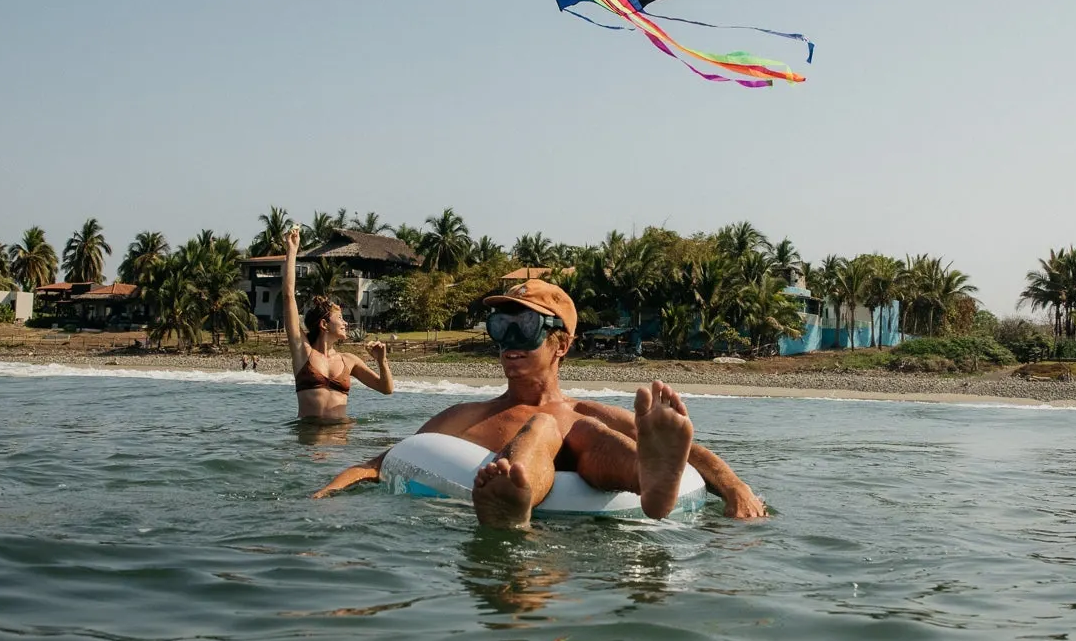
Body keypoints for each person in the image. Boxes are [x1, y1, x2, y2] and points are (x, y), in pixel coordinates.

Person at [313, 279, 767, 527]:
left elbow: (693, 456)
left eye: (525, 329)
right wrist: (328, 492)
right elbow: (384, 460)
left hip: (591, 470)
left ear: (561, 344)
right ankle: (516, 493)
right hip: (542, 528)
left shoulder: (585, 413)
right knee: (543, 429)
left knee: (573, 429)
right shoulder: (465, 416)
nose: (508, 344)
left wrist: (734, 487)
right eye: (499, 328)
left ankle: (653, 488)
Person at [282, 224, 394, 419]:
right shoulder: (302, 351)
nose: (345, 323)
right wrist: (292, 252)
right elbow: (288, 297)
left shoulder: (349, 360)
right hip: (310, 440)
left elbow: (386, 389)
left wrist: (382, 361)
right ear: (324, 325)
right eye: (340, 318)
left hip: (341, 442)